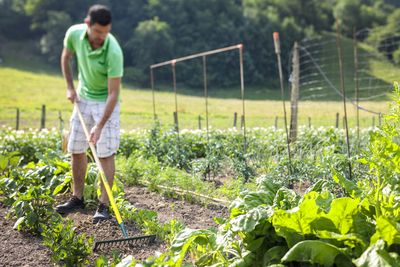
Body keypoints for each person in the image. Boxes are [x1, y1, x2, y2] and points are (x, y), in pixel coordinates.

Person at [55, 4, 123, 223]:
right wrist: (69, 87)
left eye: (106, 32)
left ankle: (103, 205)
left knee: (104, 154)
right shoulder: (74, 34)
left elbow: (113, 94)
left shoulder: (113, 50)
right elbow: (66, 57)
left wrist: (100, 125)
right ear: (88, 25)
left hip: (106, 101)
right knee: (76, 148)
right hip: (83, 96)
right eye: (98, 32)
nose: (102, 37)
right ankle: (77, 198)